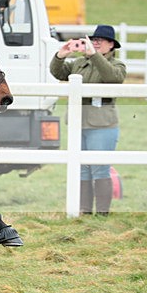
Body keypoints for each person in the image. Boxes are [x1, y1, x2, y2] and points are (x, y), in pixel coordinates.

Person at [50, 25, 127, 215]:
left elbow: (112, 77)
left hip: (102, 125)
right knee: (82, 170)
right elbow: (57, 73)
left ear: (111, 45)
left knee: (100, 169)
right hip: (79, 123)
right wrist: (61, 55)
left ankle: (102, 213)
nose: (96, 43)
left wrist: (94, 55)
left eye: (101, 40)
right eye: (94, 40)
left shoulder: (118, 65)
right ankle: (84, 211)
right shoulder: (79, 63)